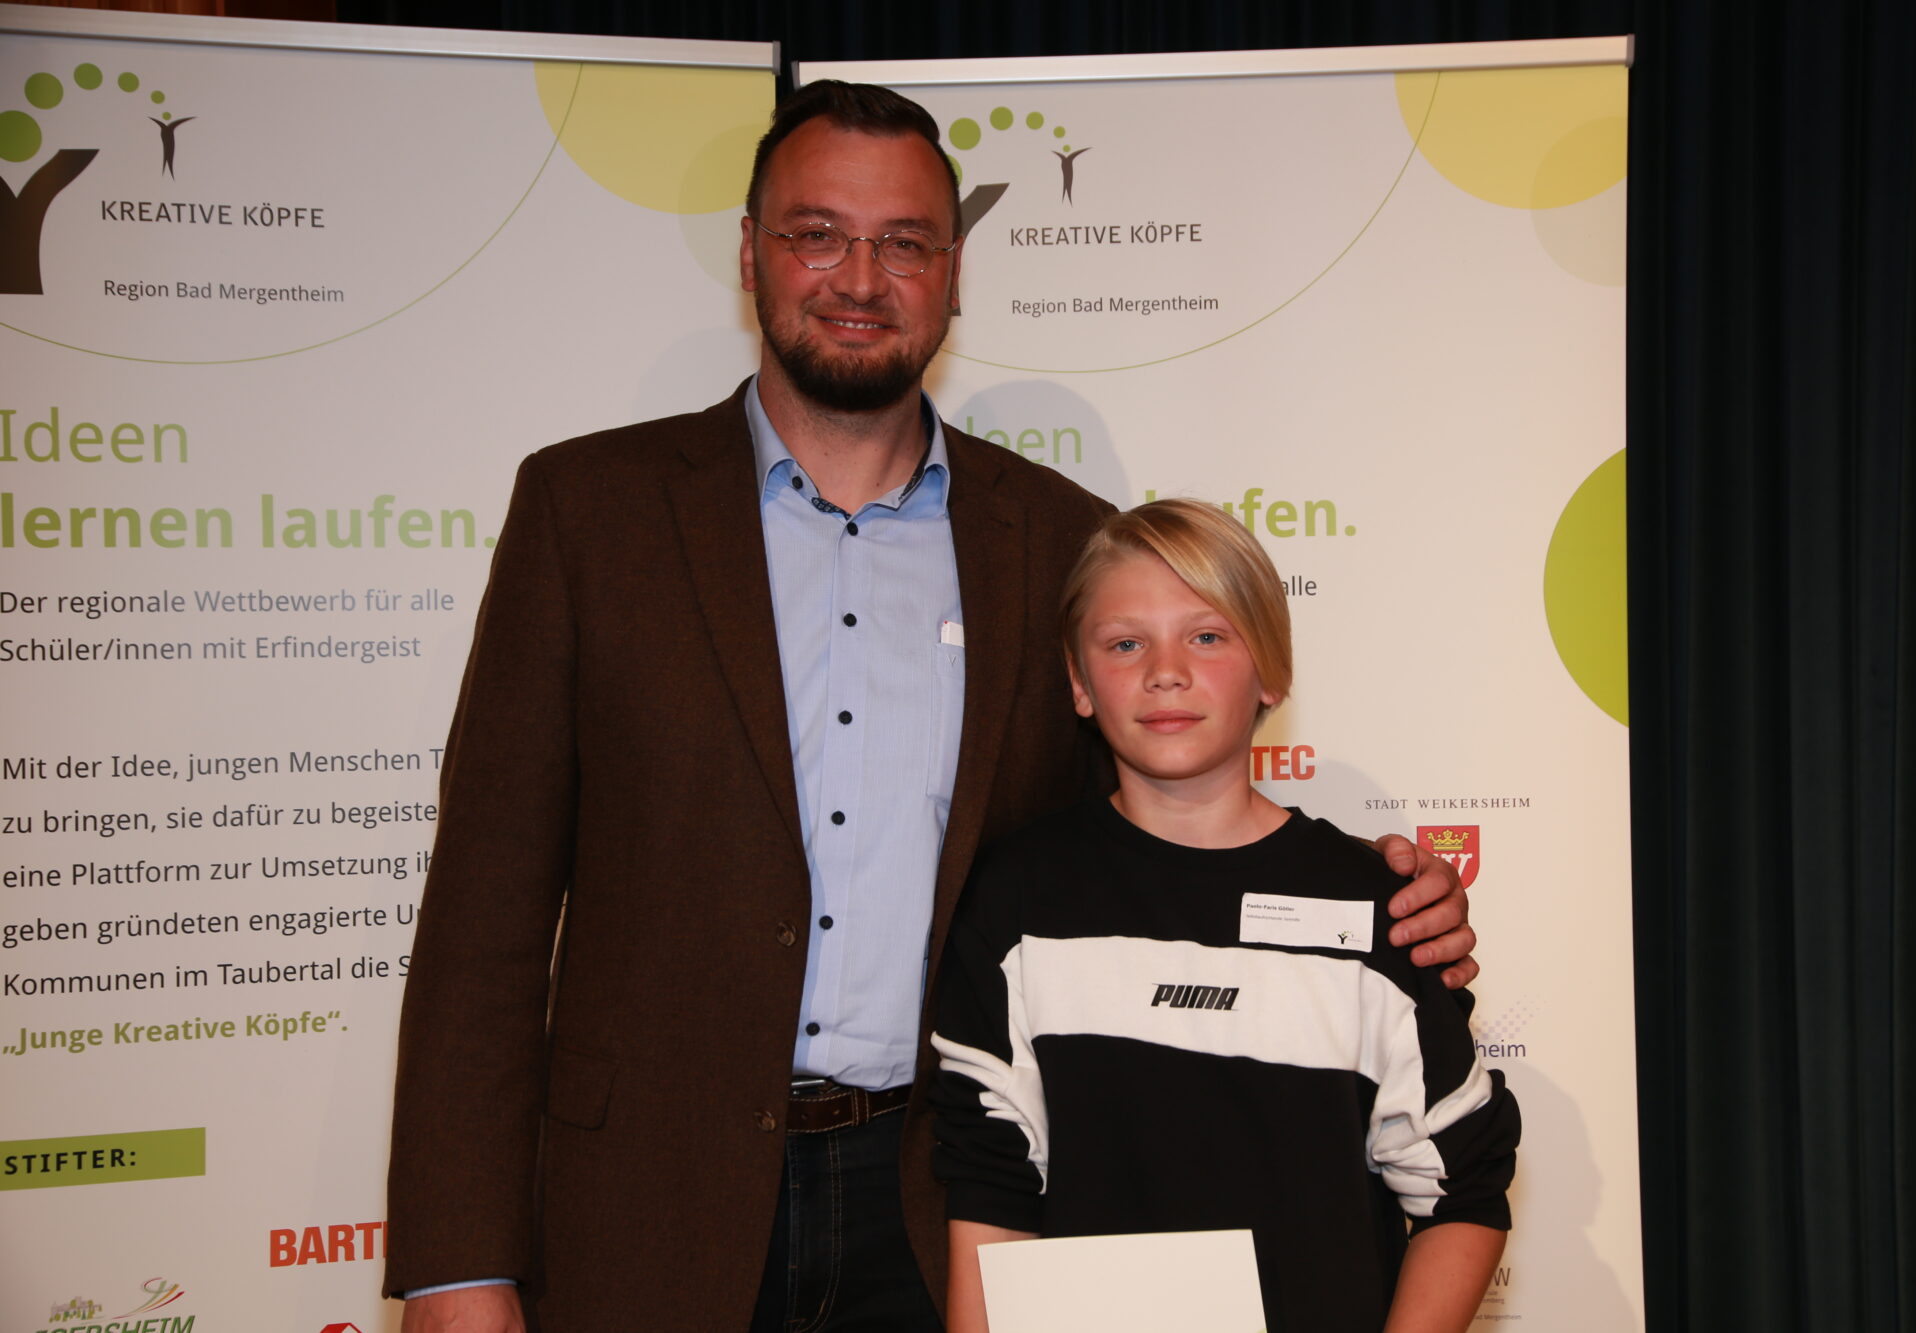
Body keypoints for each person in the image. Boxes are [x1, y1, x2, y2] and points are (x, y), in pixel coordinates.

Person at [385, 80, 1477, 1333]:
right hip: (645, 1204)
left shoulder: (1059, 543)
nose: (858, 277)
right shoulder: (589, 513)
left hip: (955, 1206)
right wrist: (457, 1262)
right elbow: (484, 917)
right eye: (817, 233)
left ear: (952, 274)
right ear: (748, 252)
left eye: (902, 243)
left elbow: (1155, 847)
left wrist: (1379, 910)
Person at [930, 499, 1518, 1333]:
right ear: (1079, 682)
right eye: (1125, 643)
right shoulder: (1017, 900)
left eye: (1206, 636)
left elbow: (1463, 1186)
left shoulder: (1380, 906)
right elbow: (991, 1187)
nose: (1165, 671)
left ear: (1270, 670)